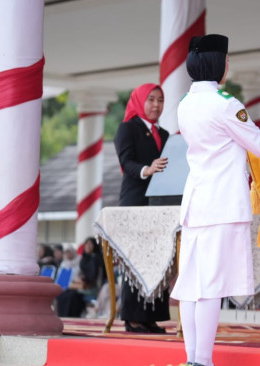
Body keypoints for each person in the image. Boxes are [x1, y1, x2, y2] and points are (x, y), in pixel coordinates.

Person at [170, 34, 260, 366]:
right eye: (227, 60)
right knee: (211, 285)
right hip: (222, 203)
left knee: (192, 285)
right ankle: (202, 360)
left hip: (197, 201)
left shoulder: (184, 104)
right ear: (220, 64)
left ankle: (192, 358)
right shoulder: (226, 104)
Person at [113, 83, 170, 333]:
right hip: (135, 202)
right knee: (135, 259)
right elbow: (126, 162)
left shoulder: (166, 135)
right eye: (151, 100)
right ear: (139, 101)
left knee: (158, 258)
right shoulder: (128, 129)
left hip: (159, 205)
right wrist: (148, 169)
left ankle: (151, 317)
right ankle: (133, 317)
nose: (156, 105)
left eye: (160, 100)